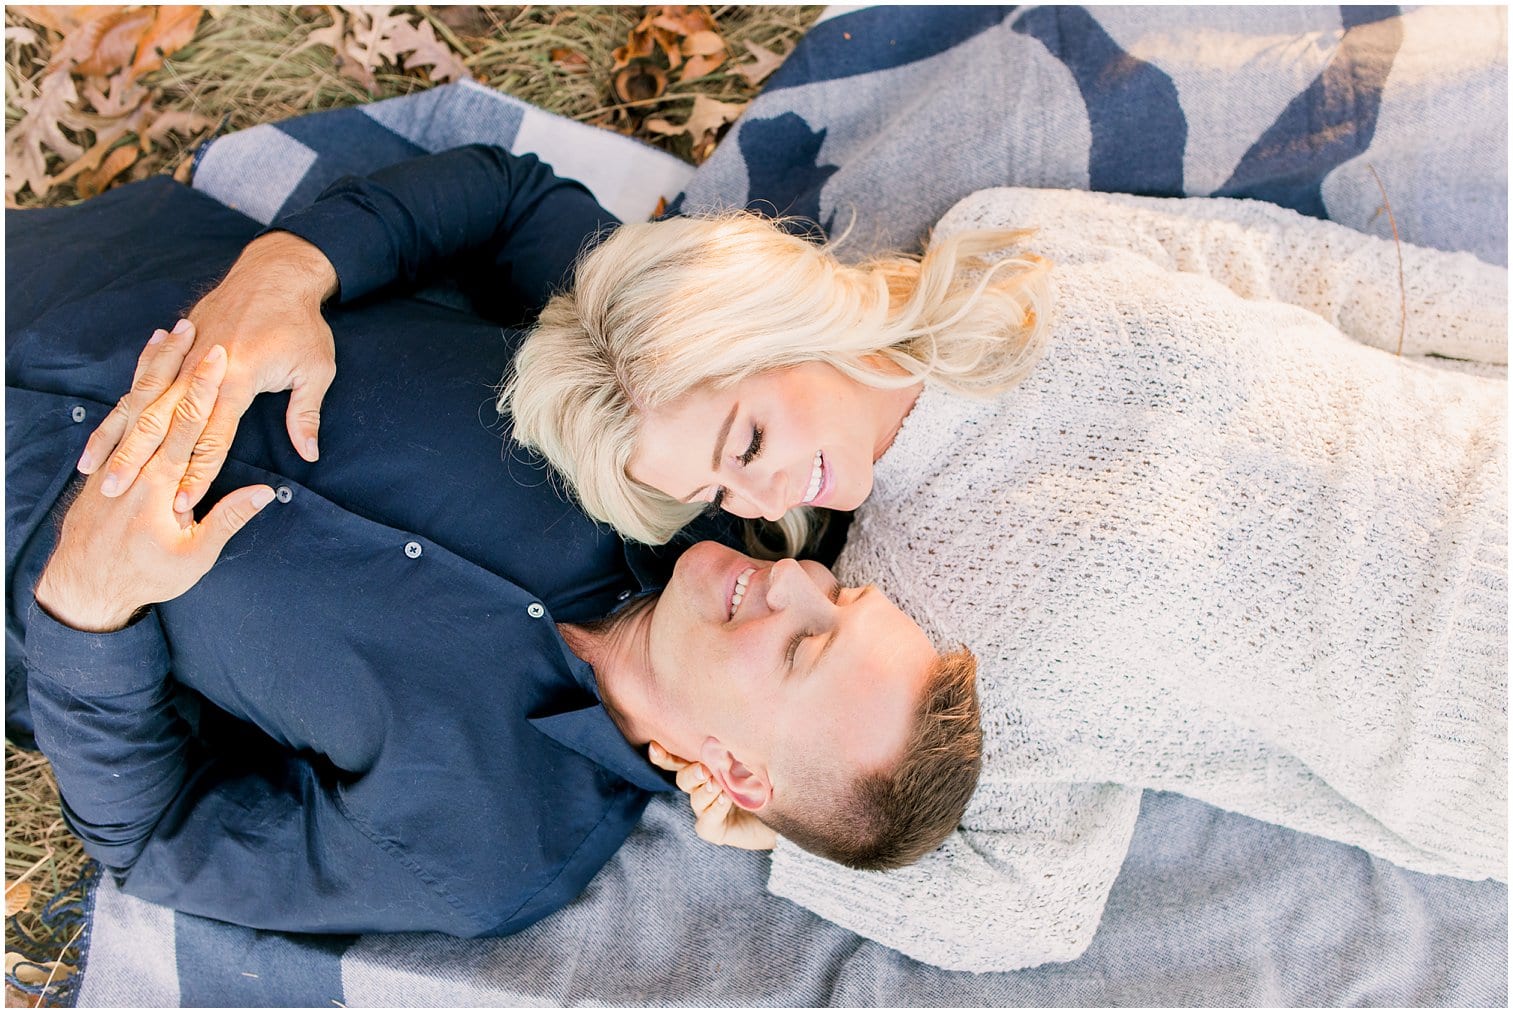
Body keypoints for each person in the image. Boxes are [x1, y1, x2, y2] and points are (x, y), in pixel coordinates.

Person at [89, 153, 1508, 970]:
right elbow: (1031, 904)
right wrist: (761, 825)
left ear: (781, 312)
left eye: (750, 433)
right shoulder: (917, 616)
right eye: (720, 482)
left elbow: (1344, 287)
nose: (758, 510)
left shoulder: (1017, 243)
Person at [4, 150, 982, 939]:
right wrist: (291, 270)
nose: (790, 579)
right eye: (837, 595)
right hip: (92, 274)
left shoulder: (492, 851)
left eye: (800, 646)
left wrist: (89, 611)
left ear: (737, 775)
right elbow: (514, 202)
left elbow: (165, 841)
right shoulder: (691, 445)